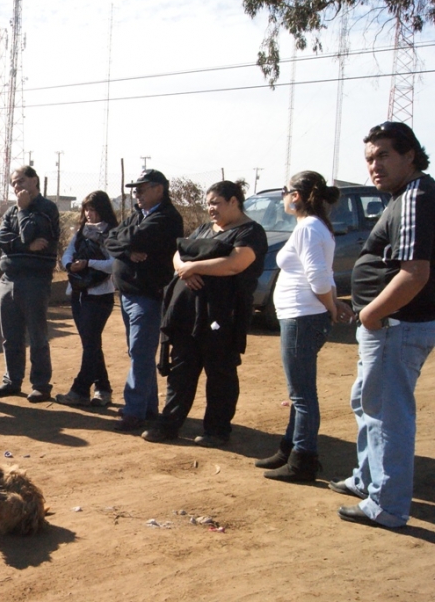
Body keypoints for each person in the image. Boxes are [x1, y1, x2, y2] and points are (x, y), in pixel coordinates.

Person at [332, 122, 435, 528]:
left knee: (387, 414)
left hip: (395, 326)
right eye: (370, 159)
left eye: (383, 156)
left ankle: (387, 506)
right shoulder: (405, 196)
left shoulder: (414, 197)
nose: (375, 166)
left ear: (409, 155)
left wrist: (372, 314)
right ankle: (368, 480)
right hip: (390, 325)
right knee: (367, 403)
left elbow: (414, 272)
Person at [142, 180, 267, 447]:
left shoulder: (250, 232)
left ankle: (217, 430)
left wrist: (194, 268)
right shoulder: (205, 229)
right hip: (188, 315)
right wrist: (184, 270)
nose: (211, 208)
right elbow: (178, 254)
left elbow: (235, 263)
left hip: (223, 314)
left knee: (220, 373)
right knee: (182, 371)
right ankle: (169, 424)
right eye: (208, 203)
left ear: (234, 201)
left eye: (216, 203)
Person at [257, 171, 352, 482]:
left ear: (296, 196)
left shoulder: (309, 228)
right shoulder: (315, 227)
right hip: (302, 316)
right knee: (299, 392)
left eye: (286, 192)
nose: (284, 197)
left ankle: (304, 461)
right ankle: (290, 449)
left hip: (303, 317)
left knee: (302, 394)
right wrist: (333, 304)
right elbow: (326, 276)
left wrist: (331, 307)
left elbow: (319, 277)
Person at [102, 169, 183, 428]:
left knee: (140, 352)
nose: (136, 193)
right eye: (135, 189)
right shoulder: (140, 214)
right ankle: (146, 408)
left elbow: (134, 237)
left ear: (159, 189)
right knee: (140, 352)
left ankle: (135, 411)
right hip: (129, 294)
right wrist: (128, 251)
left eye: (142, 188)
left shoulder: (166, 217)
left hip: (148, 295)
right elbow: (110, 238)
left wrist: (124, 243)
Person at [0, 166, 60, 403]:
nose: (16, 187)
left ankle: (41, 384)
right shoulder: (11, 211)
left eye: (20, 181)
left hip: (35, 280)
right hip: (8, 279)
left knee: (37, 335)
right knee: (10, 335)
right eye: (13, 184)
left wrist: (22, 210)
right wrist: (25, 245)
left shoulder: (47, 209)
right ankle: (12, 380)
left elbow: (28, 233)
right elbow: (1, 239)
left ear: (34, 181)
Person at [55, 190, 120, 407]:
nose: (89, 213)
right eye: (86, 209)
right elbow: (67, 253)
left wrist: (88, 263)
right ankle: (103, 389)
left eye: (93, 209)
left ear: (102, 210)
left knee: (90, 344)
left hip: (100, 296)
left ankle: (80, 389)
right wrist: (69, 265)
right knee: (91, 344)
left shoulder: (113, 233)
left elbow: (113, 264)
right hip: (77, 293)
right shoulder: (81, 232)